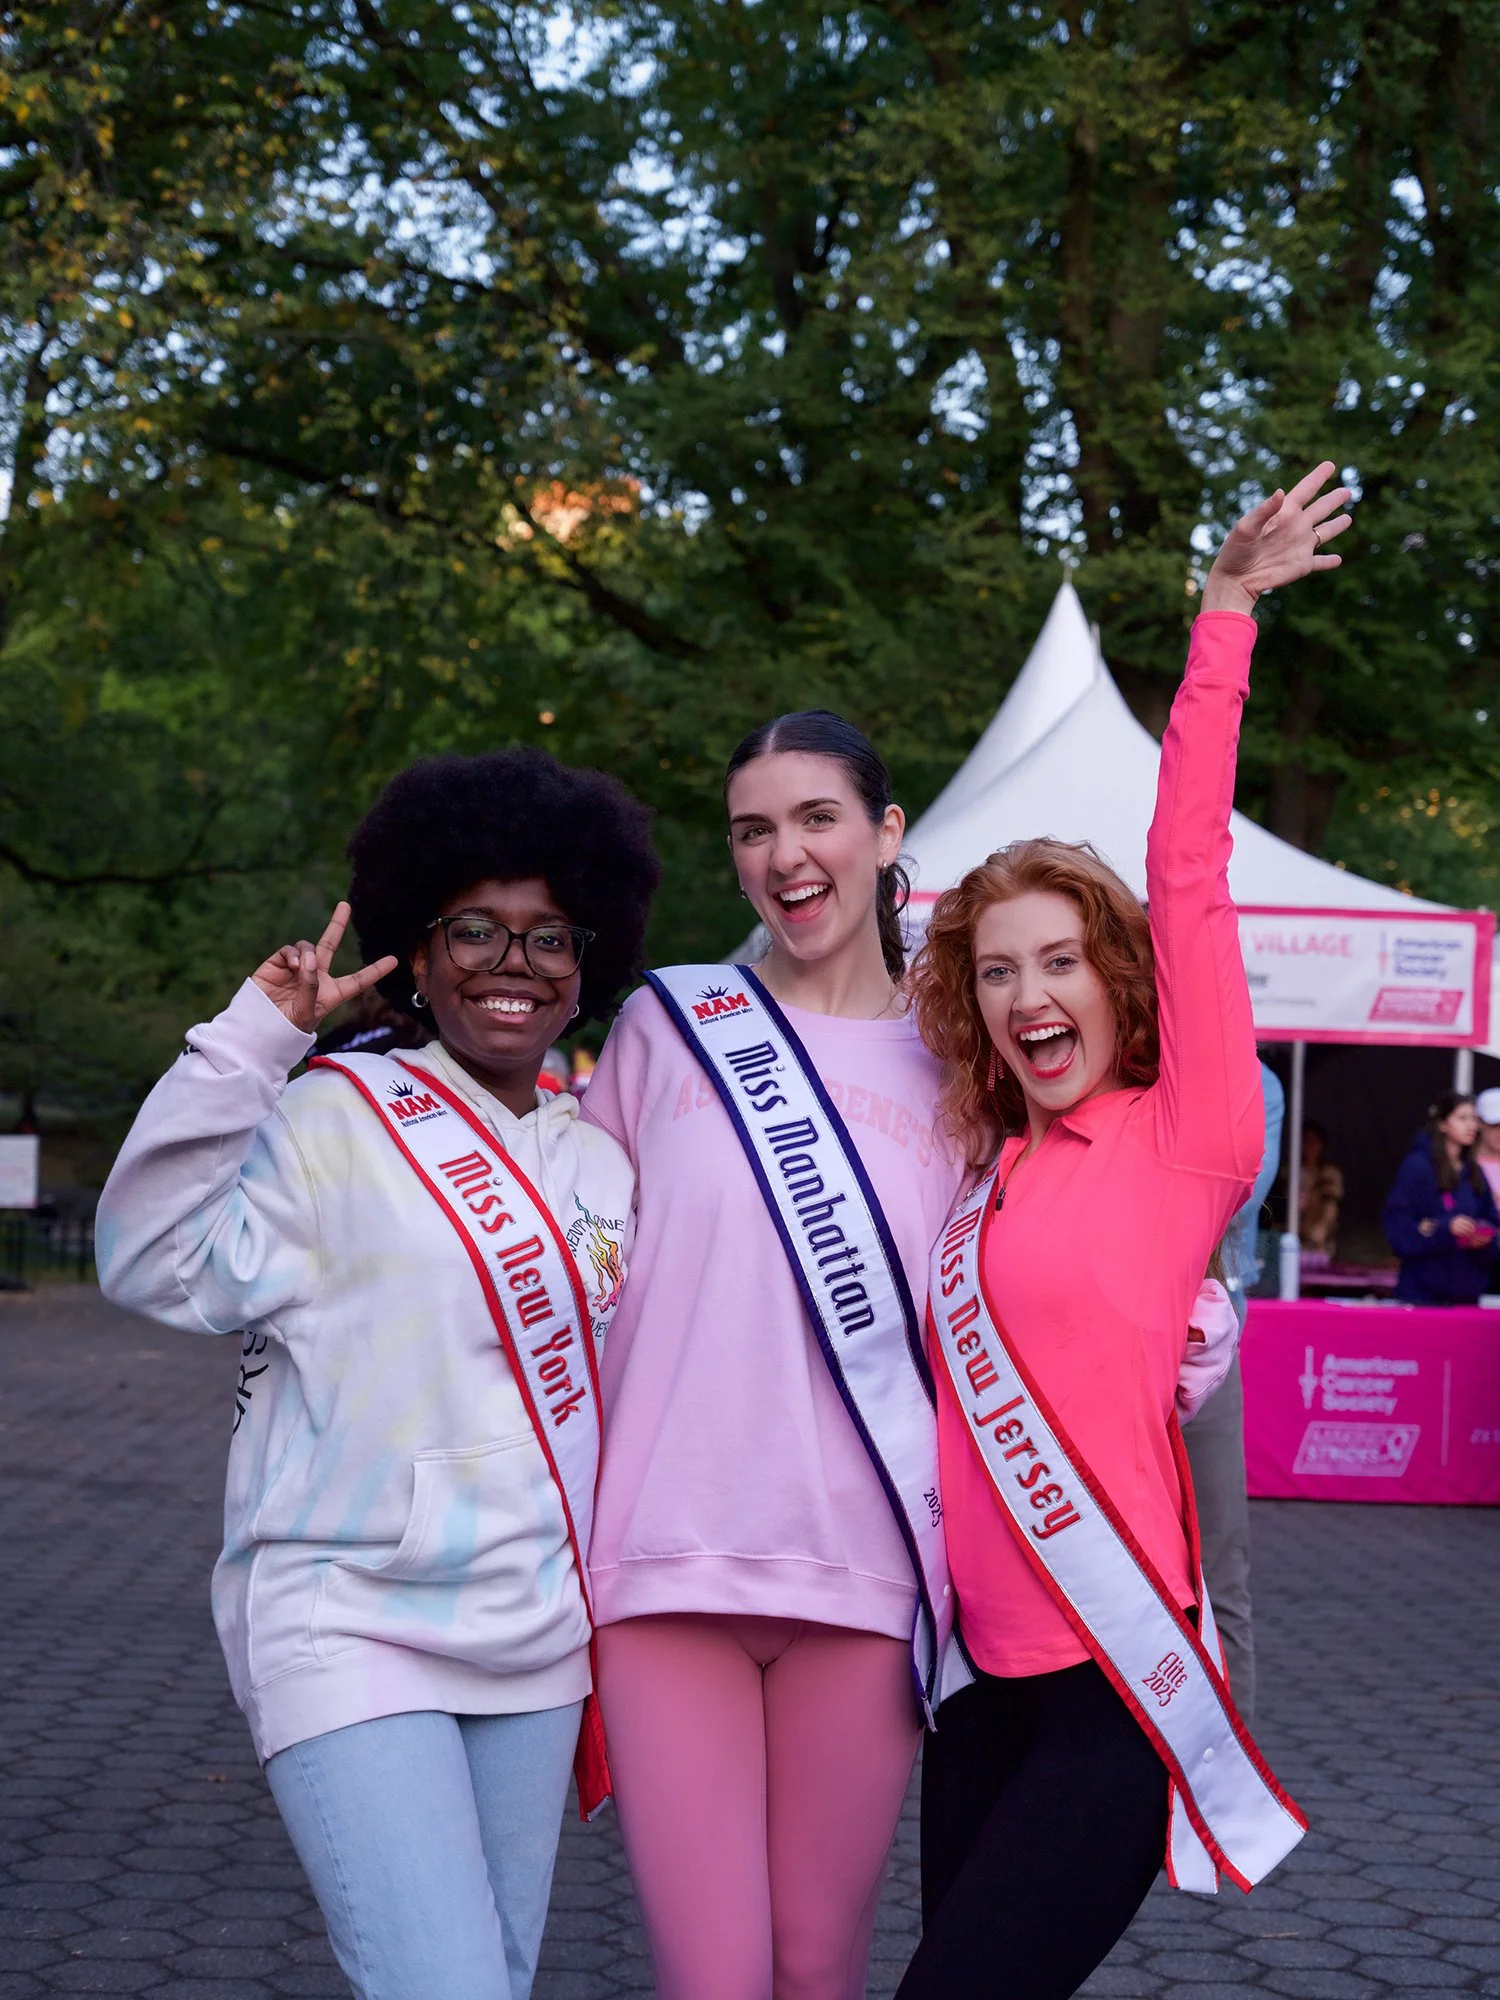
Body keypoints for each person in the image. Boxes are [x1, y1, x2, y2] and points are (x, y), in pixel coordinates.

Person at [578, 711, 1236, 1994]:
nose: (786, 854)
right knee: (711, 1978)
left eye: (817, 817)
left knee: (822, 1968)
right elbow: (564, 1247)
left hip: (871, 1583)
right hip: (670, 1560)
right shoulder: (669, 1026)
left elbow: (1041, 1271)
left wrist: (1189, 1325)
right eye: (753, 829)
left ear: (885, 836)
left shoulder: (965, 1077)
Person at [95, 749, 659, 2000]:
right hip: (347, 1616)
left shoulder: (606, 1162)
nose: (514, 963)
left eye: (550, 936)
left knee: (494, 1978)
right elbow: (145, 1260)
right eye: (476, 929)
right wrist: (254, 1041)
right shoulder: (327, 1115)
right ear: (418, 943)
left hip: (537, 1639)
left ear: (590, 961)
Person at [897, 465, 1347, 2000]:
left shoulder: (1185, 1133)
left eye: (1061, 964)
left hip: (1111, 1689)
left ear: (1117, 981)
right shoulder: (980, 1170)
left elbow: (1188, 869)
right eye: (1000, 974)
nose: (1031, 999)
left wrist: (1221, 619)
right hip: (973, 1693)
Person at [1183, 1059, 1285, 1725]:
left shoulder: (1250, 1083)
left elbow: (1235, 1190)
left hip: (1200, 1347)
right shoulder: (1105, 1057)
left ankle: (1229, 1790)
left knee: (1219, 1574)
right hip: (1096, 1347)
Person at [1383, 1091, 1499, 1305]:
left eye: (1474, 1118)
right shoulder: (1417, 1168)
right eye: (1462, 1118)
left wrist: (1483, 1240)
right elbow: (1398, 1230)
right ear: (1443, 1124)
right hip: (1422, 1295)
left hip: (1465, 1296)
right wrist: (1446, 1229)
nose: (1471, 1126)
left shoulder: (1475, 1172)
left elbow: (1492, 1223)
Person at [1299, 1120, 1344, 1258]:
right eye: (1306, 1141)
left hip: (1321, 1245)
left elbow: (1331, 1205)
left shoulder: (1328, 1174)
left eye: (1314, 1142)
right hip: (1295, 1242)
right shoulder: (1290, 1174)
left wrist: (1319, 1231)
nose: (1310, 1147)